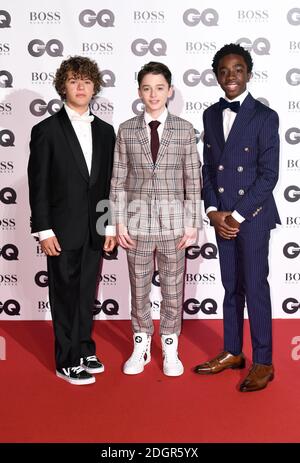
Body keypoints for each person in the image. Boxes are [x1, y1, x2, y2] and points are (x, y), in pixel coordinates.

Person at [194, 43, 280, 392]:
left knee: (255, 287)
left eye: (238, 69)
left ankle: (263, 360)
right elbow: (209, 169)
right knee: (231, 287)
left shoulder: (264, 116)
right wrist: (214, 211)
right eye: (224, 70)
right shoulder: (211, 115)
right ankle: (232, 351)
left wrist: (238, 215)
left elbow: (269, 175)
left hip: (253, 217)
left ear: (249, 73)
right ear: (217, 75)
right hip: (223, 219)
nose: (231, 76)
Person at [28, 56, 116, 385]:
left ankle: (84, 347)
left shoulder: (107, 132)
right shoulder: (46, 131)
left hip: (94, 228)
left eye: (87, 81)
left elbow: (107, 183)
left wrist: (107, 225)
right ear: (63, 86)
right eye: (74, 80)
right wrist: (43, 229)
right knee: (64, 295)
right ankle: (66, 359)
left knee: (84, 293)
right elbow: (39, 184)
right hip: (60, 230)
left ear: (95, 87)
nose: (81, 87)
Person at [110, 61, 201, 376]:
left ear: (170, 91)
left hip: (175, 224)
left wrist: (193, 223)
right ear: (139, 92)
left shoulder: (185, 129)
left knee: (174, 288)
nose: (153, 94)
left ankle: (171, 346)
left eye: (159, 88)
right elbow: (118, 179)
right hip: (135, 224)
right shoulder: (126, 129)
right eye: (147, 88)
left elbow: (193, 179)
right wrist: (117, 222)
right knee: (138, 287)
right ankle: (141, 343)